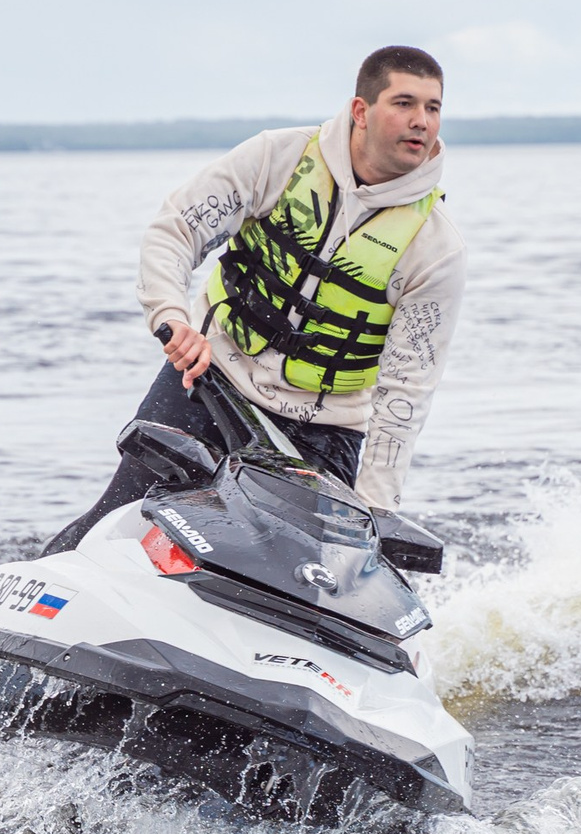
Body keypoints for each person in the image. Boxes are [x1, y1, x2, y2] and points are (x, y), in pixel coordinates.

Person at [42, 44, 465, 554]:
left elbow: (407, 389)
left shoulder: (436, 247)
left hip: (322, 431)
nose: (421, 121)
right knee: (121, 519)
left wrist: (376, 508)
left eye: (433, 107)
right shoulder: (278, 158)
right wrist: (172, 317)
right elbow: (176, 231)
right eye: (404, 103)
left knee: (291, 570)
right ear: (361, 110)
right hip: (209, 381)